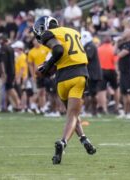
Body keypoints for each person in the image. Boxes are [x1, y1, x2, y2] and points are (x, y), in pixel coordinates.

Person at [33, 16, 96, 164]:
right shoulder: (73, 32)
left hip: (62, 79)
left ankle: (84, 139)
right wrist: (49, 65)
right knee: (73, 114)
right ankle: (63, 142)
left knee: (71, 114)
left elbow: (58, 50)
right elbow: (62, 51)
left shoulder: (50, 34)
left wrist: (46, 67)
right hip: (79, 74)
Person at [81, 30, 102, 117]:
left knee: (89, 93)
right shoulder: (90, 45)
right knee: (92, 94)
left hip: (92, 74)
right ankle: (93, 111)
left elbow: (87, 58)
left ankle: (88, 111)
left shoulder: (90, 46)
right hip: (93, 73)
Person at [115, 28, 130, 119]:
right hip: (123, 71)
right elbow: (114, 52)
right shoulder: (123, 44)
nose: (123, 34)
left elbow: (120, 54)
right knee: (124, 93)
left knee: (129, 93)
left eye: (125, 32)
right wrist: (116, 42)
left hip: (129, 71)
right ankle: (126, 112)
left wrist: (119, 46)